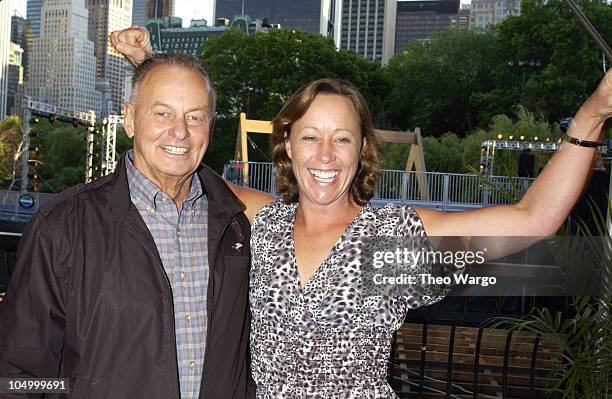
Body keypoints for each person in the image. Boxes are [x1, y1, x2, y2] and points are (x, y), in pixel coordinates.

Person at [112, 28, 611, 397]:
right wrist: (149, 65)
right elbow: (182, 154)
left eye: (342, 139)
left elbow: (534, 218)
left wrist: (594, 111)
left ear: (361, 150)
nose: (325, 156)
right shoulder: (260, 225)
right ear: (286, 145)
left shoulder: (390, 239)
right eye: (310, 137)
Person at [0, 53, 255, 398]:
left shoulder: (237, 228)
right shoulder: (61, 228)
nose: (180, 131)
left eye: (195, 116)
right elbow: (19, 378)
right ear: (130, 119)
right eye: (162, 113)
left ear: (210, 126)